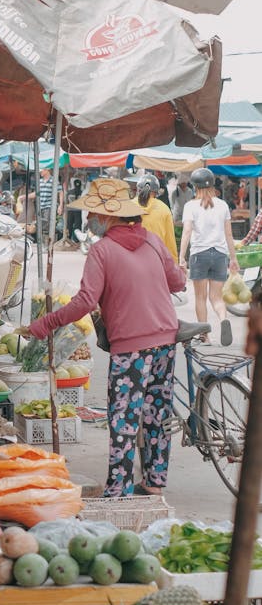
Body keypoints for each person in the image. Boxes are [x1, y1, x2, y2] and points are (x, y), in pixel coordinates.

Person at [25, 178, 186, 499]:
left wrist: (46, 323)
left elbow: (85, 301)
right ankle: (154, 481)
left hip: (131, 345)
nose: (88, 221)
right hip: (166, 339)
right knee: (156, 412)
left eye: (92, 214)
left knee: (125, 417)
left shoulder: (102, 250)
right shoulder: (153, 241)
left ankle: (120, 489)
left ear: (110, 217)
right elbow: (178, 282)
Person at [179, 168, 239, 346]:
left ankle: (205, 335)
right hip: (220, 255)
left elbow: (187, 232)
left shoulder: (190, 206)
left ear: (194, 186)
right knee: (216, 297)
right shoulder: (222, 205)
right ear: (213, 184)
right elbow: (229, 235)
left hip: (199, 254)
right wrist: (233, 259)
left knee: (200, 297)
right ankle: (223, 319)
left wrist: (181, 257)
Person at [136, 174, 178, 261]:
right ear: (156, 192)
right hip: (156, 259)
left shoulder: (128, 206)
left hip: (131, 258)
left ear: (138, 189)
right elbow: (170, 242)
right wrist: (174, 264)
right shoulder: (164, 209)